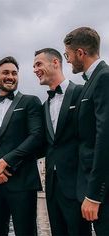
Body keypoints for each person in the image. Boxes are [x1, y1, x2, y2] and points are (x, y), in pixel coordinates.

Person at [0, 56, 44, 236]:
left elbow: (36, 136)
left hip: (22, 182)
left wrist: (4, 163)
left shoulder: (31, 101)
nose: (10, 76)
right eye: (5, 73)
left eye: (14, 73)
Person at [33, 48, 91, 236]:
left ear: (56, 62)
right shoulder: (43, 106)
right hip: (52, 187)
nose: (35, 69)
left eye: (38, 64)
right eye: (34, 66)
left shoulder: (82, 93)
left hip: (78, 186)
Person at [64, 26, 109, 235]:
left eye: (68, 55)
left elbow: (105, 138)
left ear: (80, 52)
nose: (68, 60)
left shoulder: (103, 78)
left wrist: (94, 195)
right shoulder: (95, 79)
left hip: (103, 193)